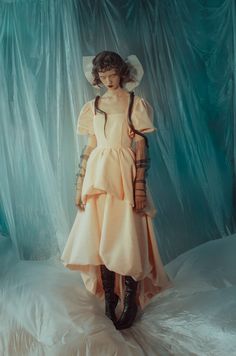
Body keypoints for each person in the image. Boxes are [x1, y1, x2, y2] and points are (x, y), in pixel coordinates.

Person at [61, 51, 173, 330]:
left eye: (112, 75)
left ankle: (131, 299)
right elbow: (90, 146)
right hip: (97, 177)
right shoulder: (94, 105)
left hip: (124, 175)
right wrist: (79, 185)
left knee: (126, 234)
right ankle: (110, 298)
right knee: (100, 234)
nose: (108, 80)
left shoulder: (135, 103)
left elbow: (140, 148)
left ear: (122, 74)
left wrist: (139, 189)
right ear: (96, 77)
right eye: (103, 76)